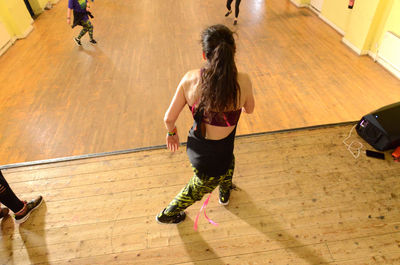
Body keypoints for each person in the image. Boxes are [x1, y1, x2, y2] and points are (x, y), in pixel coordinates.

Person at [156, 24, 255, 224]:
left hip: (202, 146)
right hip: (214, 154)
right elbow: (250, 109)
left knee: (229, 160)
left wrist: (172, 133)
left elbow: (168, 118)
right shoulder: (243, 81)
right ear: (232, 53)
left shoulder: (190, 79)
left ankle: (224, 192)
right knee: (200, 186)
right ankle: (166, 214)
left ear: (204, 54)